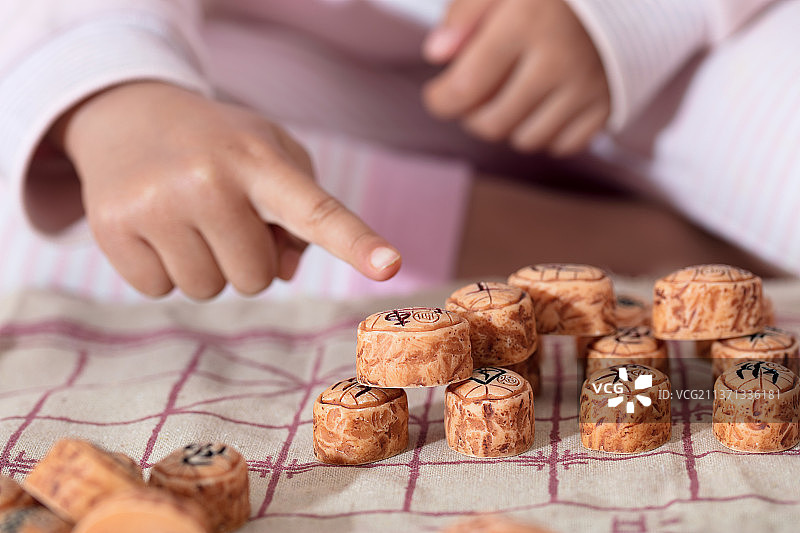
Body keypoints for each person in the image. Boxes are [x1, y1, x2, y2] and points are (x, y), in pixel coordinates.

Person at [0, 0, 794, 302]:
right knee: (73, 213)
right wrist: (113, 96)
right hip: (271, 62)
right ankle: (591, 245)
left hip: (692, 46)